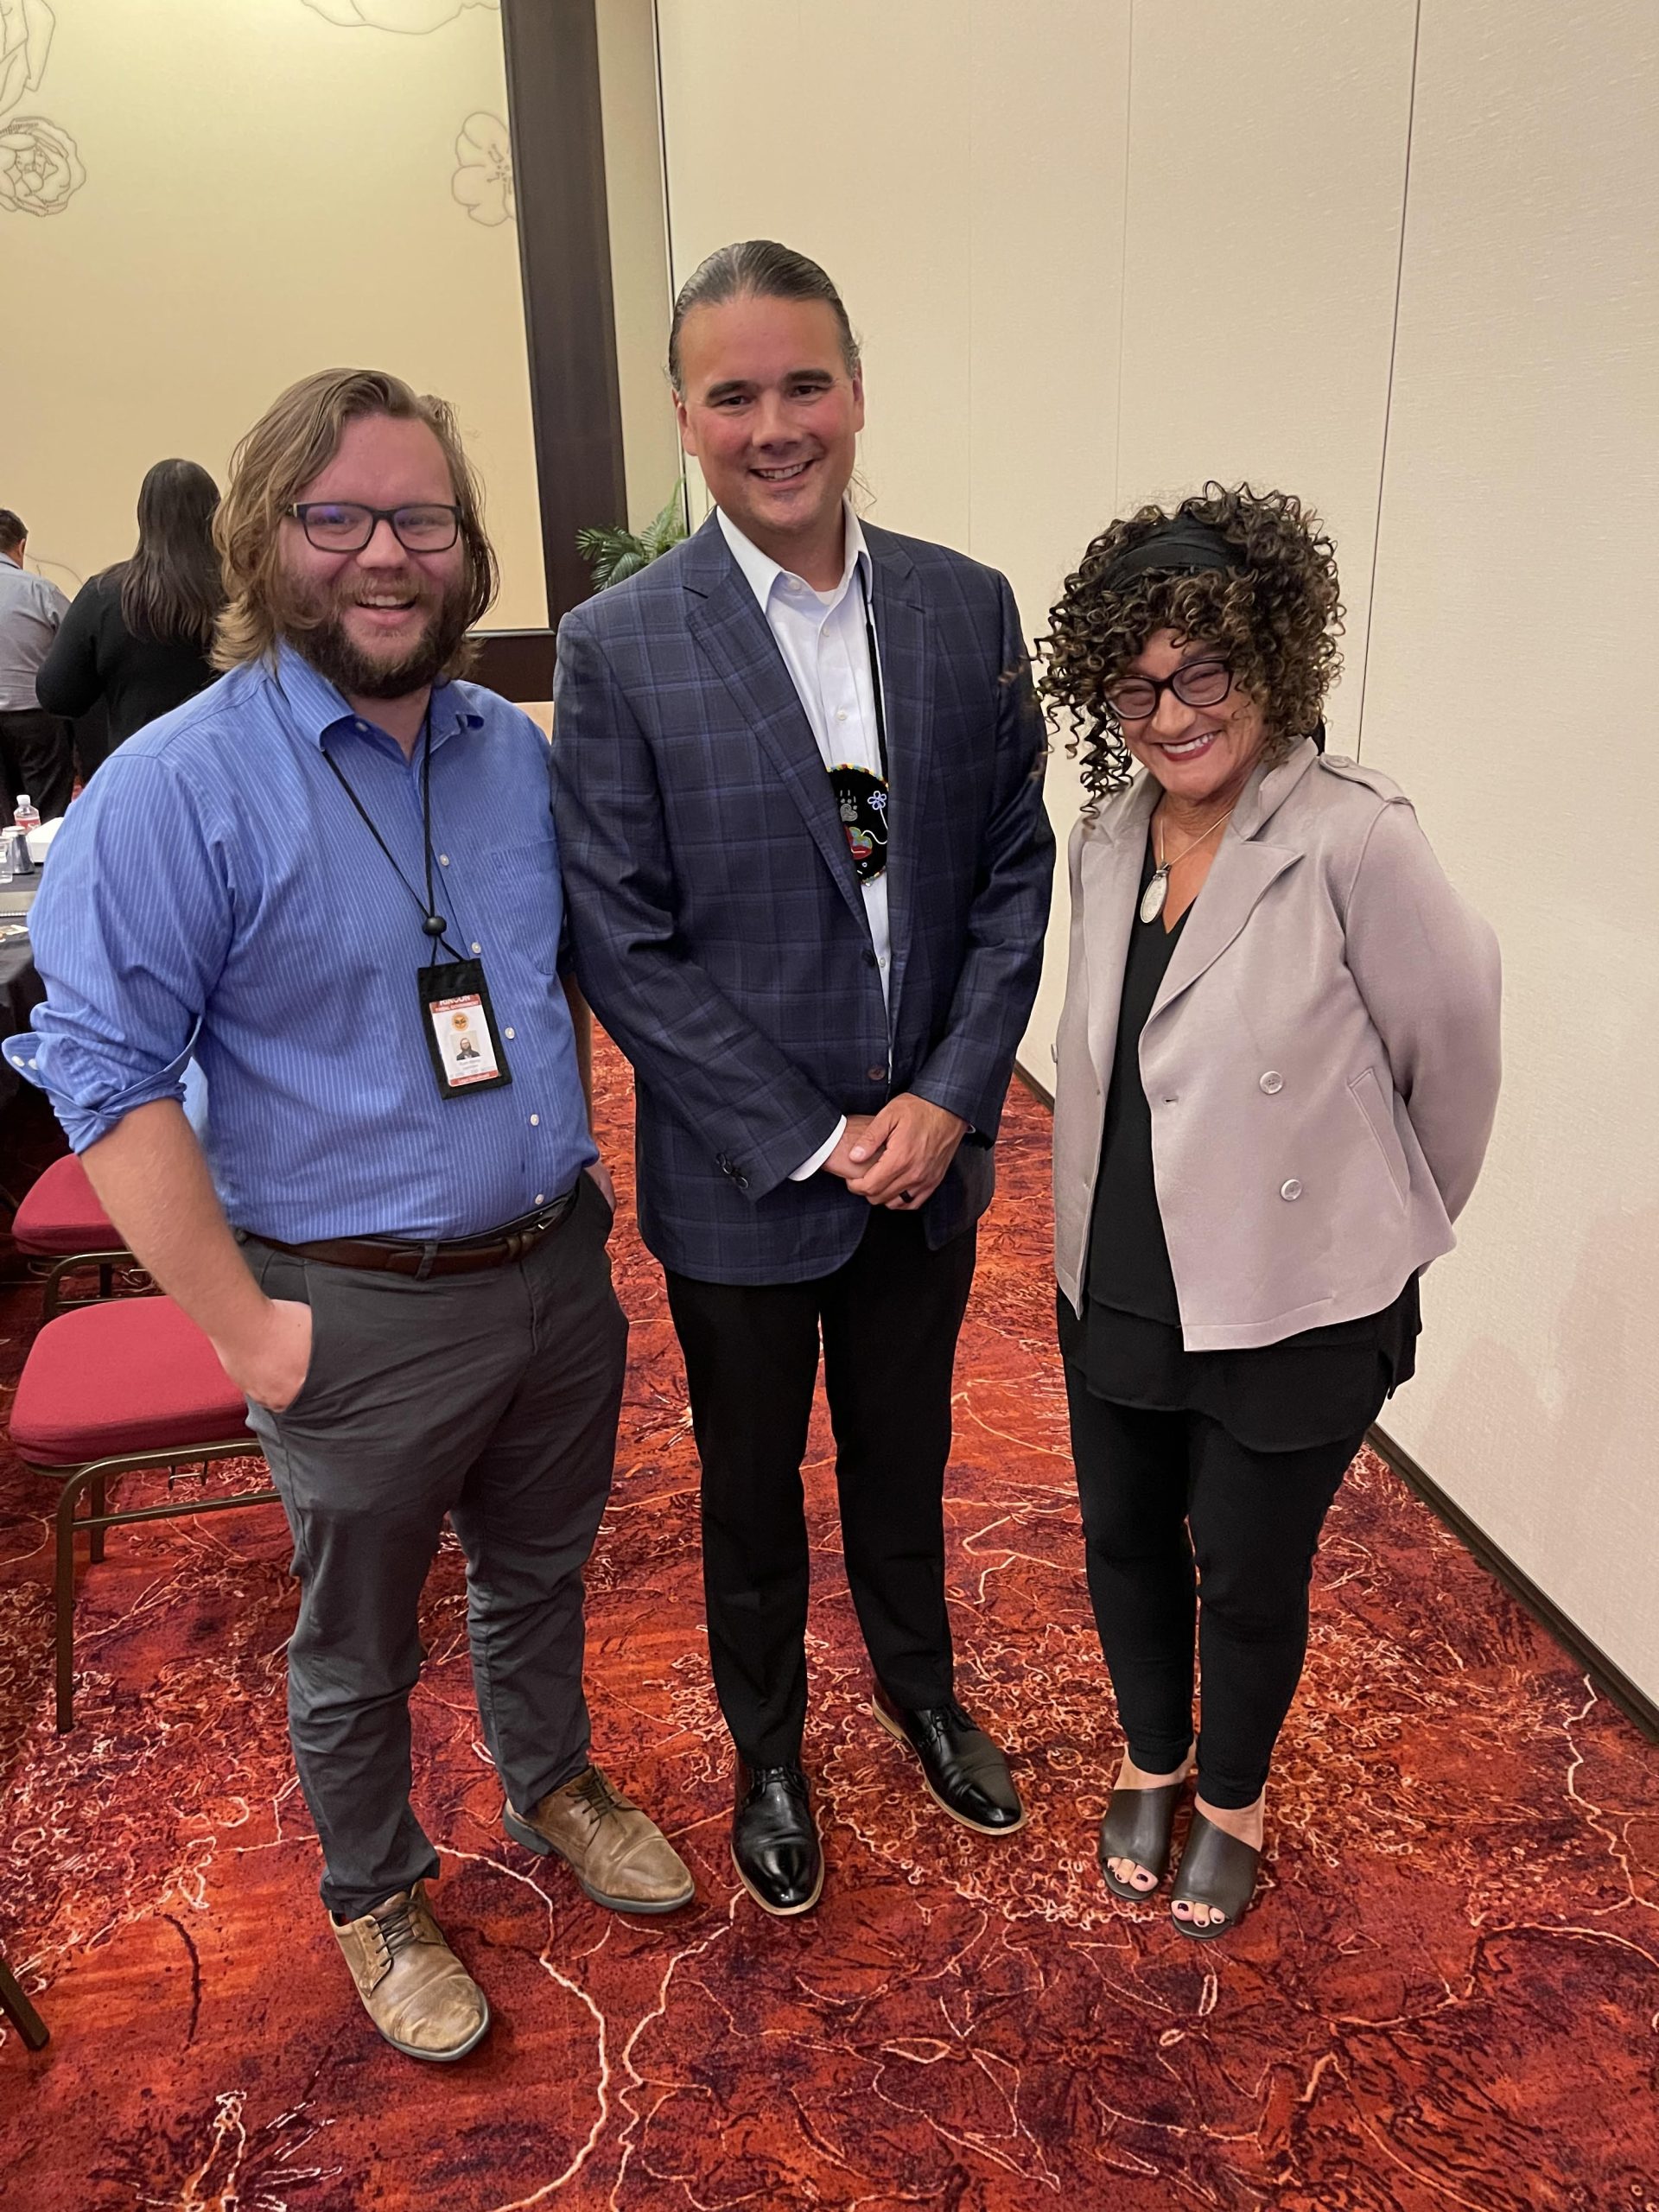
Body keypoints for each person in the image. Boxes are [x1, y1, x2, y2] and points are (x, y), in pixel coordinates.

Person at [3, 368, 692, 2060]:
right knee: (355, 1638)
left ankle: (548, 1777)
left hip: (553, 1271)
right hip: (349, 1306)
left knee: (538, 1575)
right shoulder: (174, 789)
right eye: (343, 517)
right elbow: (107, 1083)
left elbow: (591, 977)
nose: (387, 553)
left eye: (423, 518)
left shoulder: (513, 756)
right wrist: (246, 1330)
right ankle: (374, 1885)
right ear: (269, 537)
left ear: (466, 552)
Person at [552, 242, 1054, 1917]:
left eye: (806, 384)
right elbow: (623, 939)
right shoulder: (621, 646)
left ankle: (922, 1686)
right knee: (751, 1484)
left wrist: (954, 1095)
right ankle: (770, 1744)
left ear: (856, 387)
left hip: (929, 1159)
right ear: (687, 416)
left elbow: (1009, 869)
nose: (778, 424)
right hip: (743, 1179)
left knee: (906, 1459)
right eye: (735, 393)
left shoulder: (963, 603)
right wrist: (814, 1130)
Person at [1043, 486, 1501, 1939]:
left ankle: (1230, 1798)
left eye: (1205, 672)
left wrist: (1372, 1239)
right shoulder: (1109, 835)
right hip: (1116, 1270)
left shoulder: (1357, 839)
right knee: (1122, 1538)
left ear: (1271, 662)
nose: (1172, 712)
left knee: (1246, 1570)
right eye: (1138, 683)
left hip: (1291, 1298)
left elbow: (1458, 1062)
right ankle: (1150, 1755)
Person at [36, 459, 223, 770]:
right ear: (215, 514)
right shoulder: (244, 590)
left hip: (141, 771)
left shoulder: (105, 594)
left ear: (143, 517)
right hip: (229, 764)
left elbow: (57, 694)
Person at [0, 506, 74, 821]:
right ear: (22, 546)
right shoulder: (40, 590)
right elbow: (77, 647)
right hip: (36, 717)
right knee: (47, 809)